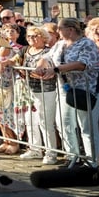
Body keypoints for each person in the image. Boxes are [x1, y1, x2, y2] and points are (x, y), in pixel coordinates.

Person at [35, 17, 99, 166]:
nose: (57, 31)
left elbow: (83, 64)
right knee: (64, 123)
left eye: (60, 28)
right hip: (65, 89)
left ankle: (92, 161)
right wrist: (41, 65)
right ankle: (72, 156)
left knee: (87, 127)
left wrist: (56, 69)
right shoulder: (60, 44)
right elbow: (47, 56)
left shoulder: (87, 44)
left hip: (86, 89)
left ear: (70, 29)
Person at [14, 25, 58, 164]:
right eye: (29, 36)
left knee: (45, 121)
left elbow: (46, 65)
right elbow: (14, 59)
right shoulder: (25, 50)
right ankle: (35, 149)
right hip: (29, 89)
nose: (31, 38)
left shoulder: (49, 51)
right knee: (30, 120)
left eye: (35, 36)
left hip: (46, 90)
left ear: (43, 37)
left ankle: (51, 153)